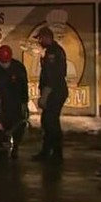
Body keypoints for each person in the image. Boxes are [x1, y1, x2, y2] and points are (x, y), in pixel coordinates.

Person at [33, 26, 68, 163]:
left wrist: (45, 96)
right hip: (54, 92)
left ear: (47, 37)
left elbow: (53, 77)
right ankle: (48, 152)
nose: (39, 41)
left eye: (40, 38)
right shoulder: (51, 51)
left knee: (51, 122)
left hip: (55, 93)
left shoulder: (53, 52)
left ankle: (55, 154)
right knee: (47, 122)